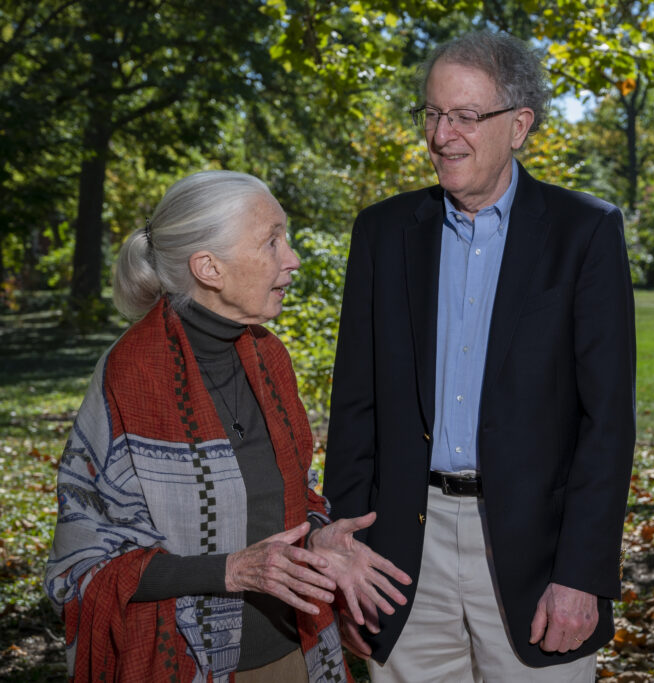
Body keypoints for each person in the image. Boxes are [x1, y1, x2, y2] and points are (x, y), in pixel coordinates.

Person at [323, 30, 636, 682]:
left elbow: (606, 424)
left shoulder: (585, 233)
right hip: (403, 557)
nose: (442, 135)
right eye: (433, 113)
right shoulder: (382, 234)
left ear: (519, 125)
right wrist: (342, 553)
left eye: (465, 116)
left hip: (539, 558)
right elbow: (355, 407)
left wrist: (581, 572)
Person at [46, 170, 411, 682]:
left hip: (296, 650)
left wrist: (319, 538)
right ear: (209, 267)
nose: (292, 259)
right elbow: (85, 559)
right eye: (272, 241)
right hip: (183, 661)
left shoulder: (268, 357)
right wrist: (230, 570)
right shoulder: (131, 376)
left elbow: (287, 502)